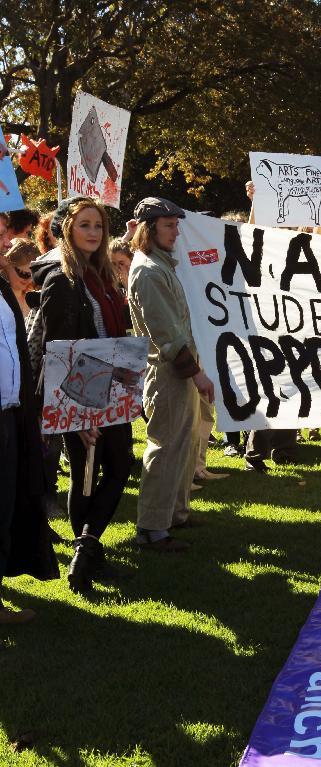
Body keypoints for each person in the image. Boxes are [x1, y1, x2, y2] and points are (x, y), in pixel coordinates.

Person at [31, 197, 134, 591]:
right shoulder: (62, 278)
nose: (93, 232)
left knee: (120, 465)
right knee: (85, 473)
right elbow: (58, 348)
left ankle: (86, 550)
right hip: (78, 388)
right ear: (67, 231)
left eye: (98, 226)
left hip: (111, 385)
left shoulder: (103, 275)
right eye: (84, 225)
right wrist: (77, 414)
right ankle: (88, 556)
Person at [128, 197, 214, 550]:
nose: (176, 232)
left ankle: (174, 514)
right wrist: (197, 374)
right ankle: (151, 528)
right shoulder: (148, 270)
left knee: (184, 445)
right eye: (169, 225)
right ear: (149, 230)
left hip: (180, 370)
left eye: (176, 225)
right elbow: (167, 333)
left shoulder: (163, 264)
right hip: (168, 373)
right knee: (165, 448)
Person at [0, 213, 58, 623]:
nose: (4, 236)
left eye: (3, 229)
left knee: (5, 506)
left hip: (10, 415)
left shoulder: (3, 287)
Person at [1, 239, 39, 318]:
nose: (30, 280)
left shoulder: (35, 297)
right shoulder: (2, 298)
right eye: (24, 274)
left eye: (34, 275)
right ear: (8, 267)